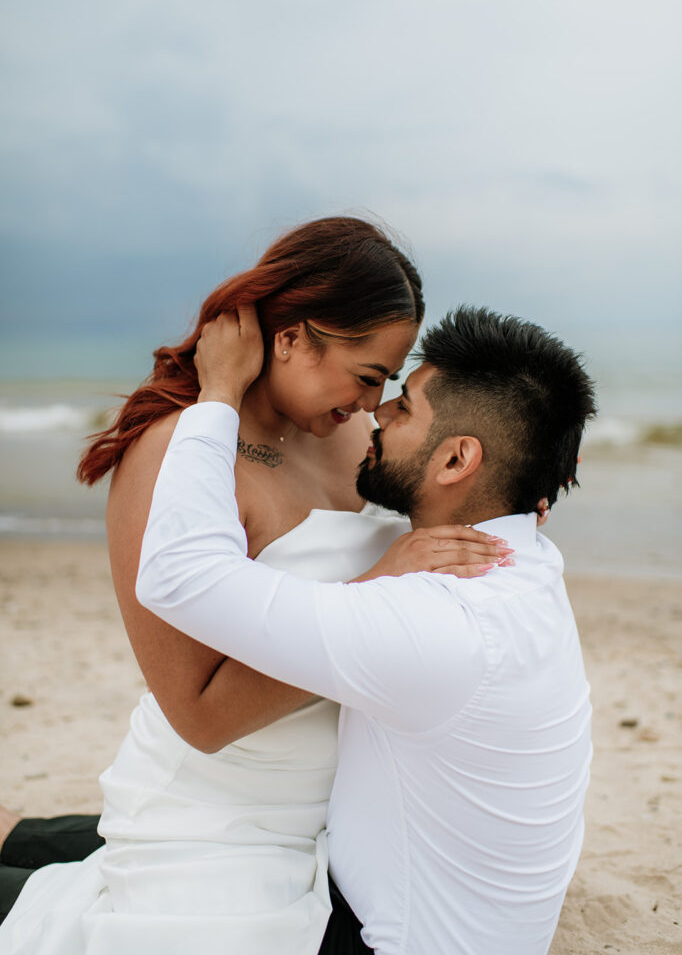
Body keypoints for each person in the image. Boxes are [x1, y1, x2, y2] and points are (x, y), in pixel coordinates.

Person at [0, 219, 505, 953]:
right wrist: (374, 595)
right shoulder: (174, 455)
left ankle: (22, 834)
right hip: (217, 805)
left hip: (327, 807)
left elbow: (448, 497)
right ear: (293, 337)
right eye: (366, 376)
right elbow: (197, 717)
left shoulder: (344, 438)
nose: (371, 405)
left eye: (386, 385)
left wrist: (522, 490)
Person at [126, 304, 595, 954]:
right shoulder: (529, 562)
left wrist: (220, 394)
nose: (379, 413)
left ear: (458, 459)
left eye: (405, 408)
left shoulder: (435, 623)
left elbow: (178, 577)